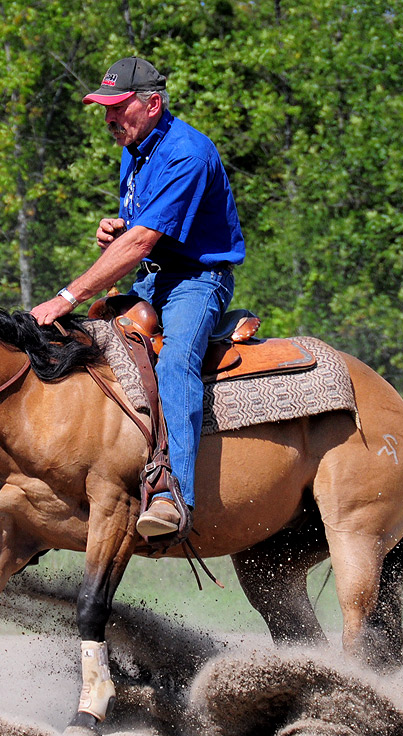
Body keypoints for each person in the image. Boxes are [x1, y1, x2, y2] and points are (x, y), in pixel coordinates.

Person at [31, 56, 245, 538]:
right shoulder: (136, 146)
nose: (109, 119)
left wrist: (67, 295)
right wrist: (120, 227)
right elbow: (144, 230)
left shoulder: (187, 152)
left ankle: (174, 496)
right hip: (153, 279)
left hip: (197, 281)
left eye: (117, 107)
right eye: (104, 109)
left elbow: (144, 242)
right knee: (83, 349)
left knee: (174, 365)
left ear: (152, 104)